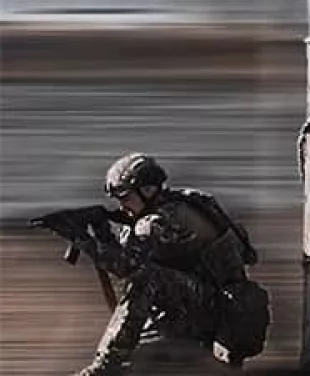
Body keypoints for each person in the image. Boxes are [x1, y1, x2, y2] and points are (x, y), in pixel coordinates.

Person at [72, 153, 269, 375]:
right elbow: (124, 266)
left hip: (218, 308)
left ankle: (106, 366)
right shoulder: (156, 214)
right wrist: (102, 233)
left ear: (146, 191)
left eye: (125, 197)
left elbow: (129, 267)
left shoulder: (172, 216)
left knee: (147, 277)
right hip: (190, 306)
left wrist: (84, 241)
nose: (122, 206)